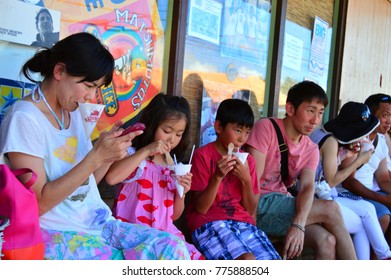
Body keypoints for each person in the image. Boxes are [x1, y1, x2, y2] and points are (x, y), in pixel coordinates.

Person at [0, 32, 190, 260]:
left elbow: (86, 186)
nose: (92, 96)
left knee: (173, 248)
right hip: (56, 231)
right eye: (89, 86)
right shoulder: (24, 118)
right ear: (59, 71)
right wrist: (96, 156)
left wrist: (110, 151)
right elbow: (38, 204)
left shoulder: (73, 112)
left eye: (98, 88)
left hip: (98, 222)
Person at [246, 80, 357, 260]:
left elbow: (307, 187)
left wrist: (298, 225)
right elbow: (252, 183)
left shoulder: (311, 149)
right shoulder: (266, 128)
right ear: (290, 109)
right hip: (258, 205)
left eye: (320, 113)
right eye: (310, 111)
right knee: (331, 209)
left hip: (284, 204)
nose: (315, 120)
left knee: (327, 240)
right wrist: (249, 225)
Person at [105, 93, 203, 260]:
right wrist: (146, 150)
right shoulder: (134, 156)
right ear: (152, 125)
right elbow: (111, 178)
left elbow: (173, 216)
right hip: (134, 234)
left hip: (165, 233)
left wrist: (182, 192)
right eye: (167, 131)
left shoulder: (172, 165)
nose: (172, 139)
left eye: (179, 134)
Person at [186, 98, 280, 260]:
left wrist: (246, 180)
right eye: (237, 130)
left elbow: (250, 209)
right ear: (218, 127)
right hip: (209, 223)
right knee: (246, 260)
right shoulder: (203, 155)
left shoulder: (248, 160)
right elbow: (201, 208)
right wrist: (217, 176)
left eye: (247, 132)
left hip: (243, 224)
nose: (242, 138)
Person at [311, 101, 391, 260]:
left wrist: (346, 154)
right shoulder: (331, 141)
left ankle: (383, 256)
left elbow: (326, 167)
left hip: (323, 193)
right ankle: (383, 257)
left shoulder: (324, 134)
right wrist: (358, 161)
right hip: (318, 196)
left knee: (368, 209)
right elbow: (331, 180)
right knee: (363, 222)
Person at [341, 93, 391, 244]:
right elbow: (348, 182)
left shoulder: (380, 140)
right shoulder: (356, 137)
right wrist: (383, 199)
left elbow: (383, 178)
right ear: (369, 113)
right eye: (385, 115)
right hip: (348, 194)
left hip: (368, 193)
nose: (389, 121)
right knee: (383, 216)